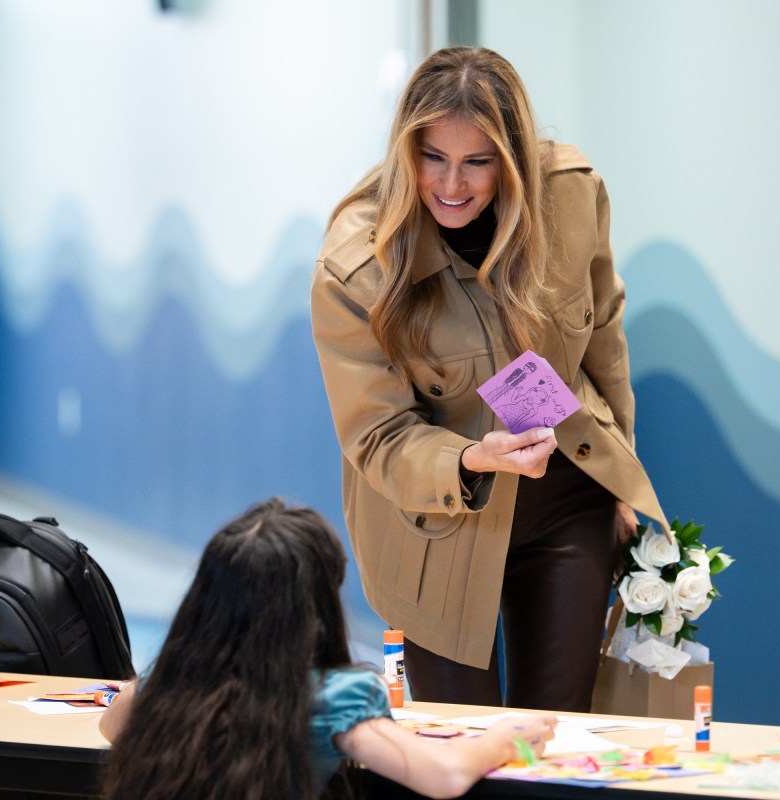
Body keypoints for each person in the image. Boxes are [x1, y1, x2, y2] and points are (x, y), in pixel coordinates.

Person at [310, 46, 666, 710]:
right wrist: (472, 457)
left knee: (555, 739)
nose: (452, 185)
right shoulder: (354, 264)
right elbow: (376, 435)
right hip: (437, 520)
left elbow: (605, 341)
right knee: (459, 747)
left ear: (514, 157)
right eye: (432, 158)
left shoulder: (571, 192)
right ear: (404, 151)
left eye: (478, 162)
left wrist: (621, 478)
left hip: (565, 499)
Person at [99, 498, 556, 800]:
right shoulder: (335, 696)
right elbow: (445, 775)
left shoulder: (172, 683)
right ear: (316, 604)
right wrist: (503, 738)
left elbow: (111, 724)